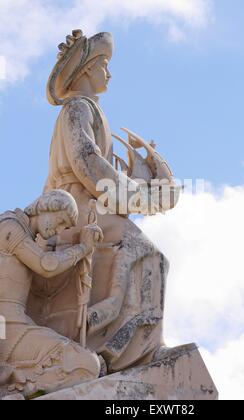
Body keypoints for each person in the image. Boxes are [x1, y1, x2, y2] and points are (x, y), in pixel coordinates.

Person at [29, 30, 173, 373]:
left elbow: (100, 166)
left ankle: (137, 342)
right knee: (147, 252)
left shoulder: (91, 110)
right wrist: (139, 195)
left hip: (93, 205)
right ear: (88, 70)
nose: (108, 73)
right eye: (104, 65)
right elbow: (88, 163)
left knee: (151, 255)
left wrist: (139, 183)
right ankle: (126, 346)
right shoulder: (78, 107)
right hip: (77, 210)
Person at [0, 190, 104, 397]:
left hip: (17, 324)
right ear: (48, 205)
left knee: (88, 365)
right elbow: (46, 265)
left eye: (64, 227)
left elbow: (44, 285)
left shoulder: (29, 239)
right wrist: (83, 248)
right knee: (84, 364)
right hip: (5, 326)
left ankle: (20, 389)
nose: (58, 231)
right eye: (61, 222)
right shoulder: (9, 226)